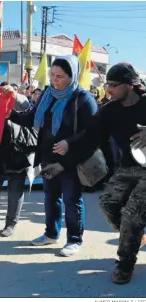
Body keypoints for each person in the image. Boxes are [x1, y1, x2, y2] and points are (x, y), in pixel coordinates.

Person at [57, 62, 146, 284]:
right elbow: (89, 137)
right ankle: (134, 235)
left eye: (113, 85)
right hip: (128, 167)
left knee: (132, 216)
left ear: (130, 86)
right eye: (107, 85)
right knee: (108, 204)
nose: (109, 90)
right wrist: (68, 147)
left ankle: (124, 265)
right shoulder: (109, 110)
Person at [8, 55, 97, 257]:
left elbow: (93, 131)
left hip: (71, 160)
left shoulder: (83, 99)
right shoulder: (47, 94)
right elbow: (31, 119)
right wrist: (9, 114)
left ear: (72, 75)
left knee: (72, 200)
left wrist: (69, 143)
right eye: (52, 75)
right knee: (50, 197)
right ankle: (51, 233)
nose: (55, 80)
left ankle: (74, 239)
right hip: (48, 156)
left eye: (60, 76)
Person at [0, 90, 35, 237]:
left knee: (15, 193)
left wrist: (14, 94)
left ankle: (11, 224)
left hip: (16, 156)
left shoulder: (19, 107)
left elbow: (26, 104)